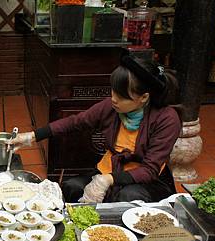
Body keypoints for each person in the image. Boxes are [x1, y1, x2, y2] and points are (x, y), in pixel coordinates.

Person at [9, 55, 180, 203]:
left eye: (121, 96)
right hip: (109, 169)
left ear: (143, 97)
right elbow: (75, 122)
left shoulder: (167, 119)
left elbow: (150, 170)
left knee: (128, 197)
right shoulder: (112, 107)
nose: (113, 99)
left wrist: (107, 180)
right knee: (71, 187)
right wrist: (30, 137)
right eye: (113, 92)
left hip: (145, 181)